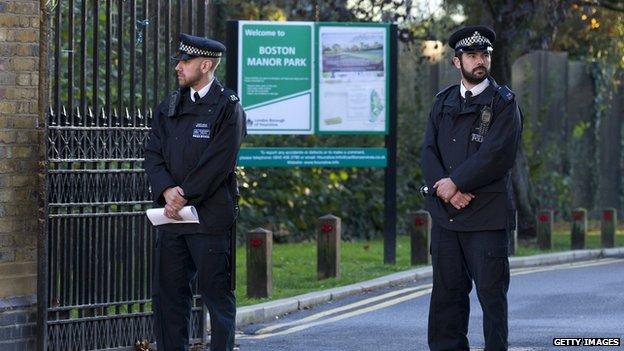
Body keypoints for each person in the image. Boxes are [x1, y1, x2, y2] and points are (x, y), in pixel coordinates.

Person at [420, 25, 522, 351]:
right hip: (448, 217)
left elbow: (496, 155)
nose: (480, 61)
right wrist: (444, 189)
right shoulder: (443, 102)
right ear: (457, 62)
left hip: (487, 218)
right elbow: (428, 151)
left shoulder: (504, 103)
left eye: (485, 55)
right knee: (447, 298)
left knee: (491, 299)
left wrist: (456, 183)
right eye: (473, 55)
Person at [144, 33, 246, 351]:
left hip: (209, 218)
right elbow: (153, 153)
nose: (178, 67)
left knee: (217, 298)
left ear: (205, 64)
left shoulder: (227, 108)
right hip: (172, 218)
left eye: (184, 61)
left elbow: (219, 162)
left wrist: (185, 193)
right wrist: (166, 190)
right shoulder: (169, 107)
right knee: (169, 297)